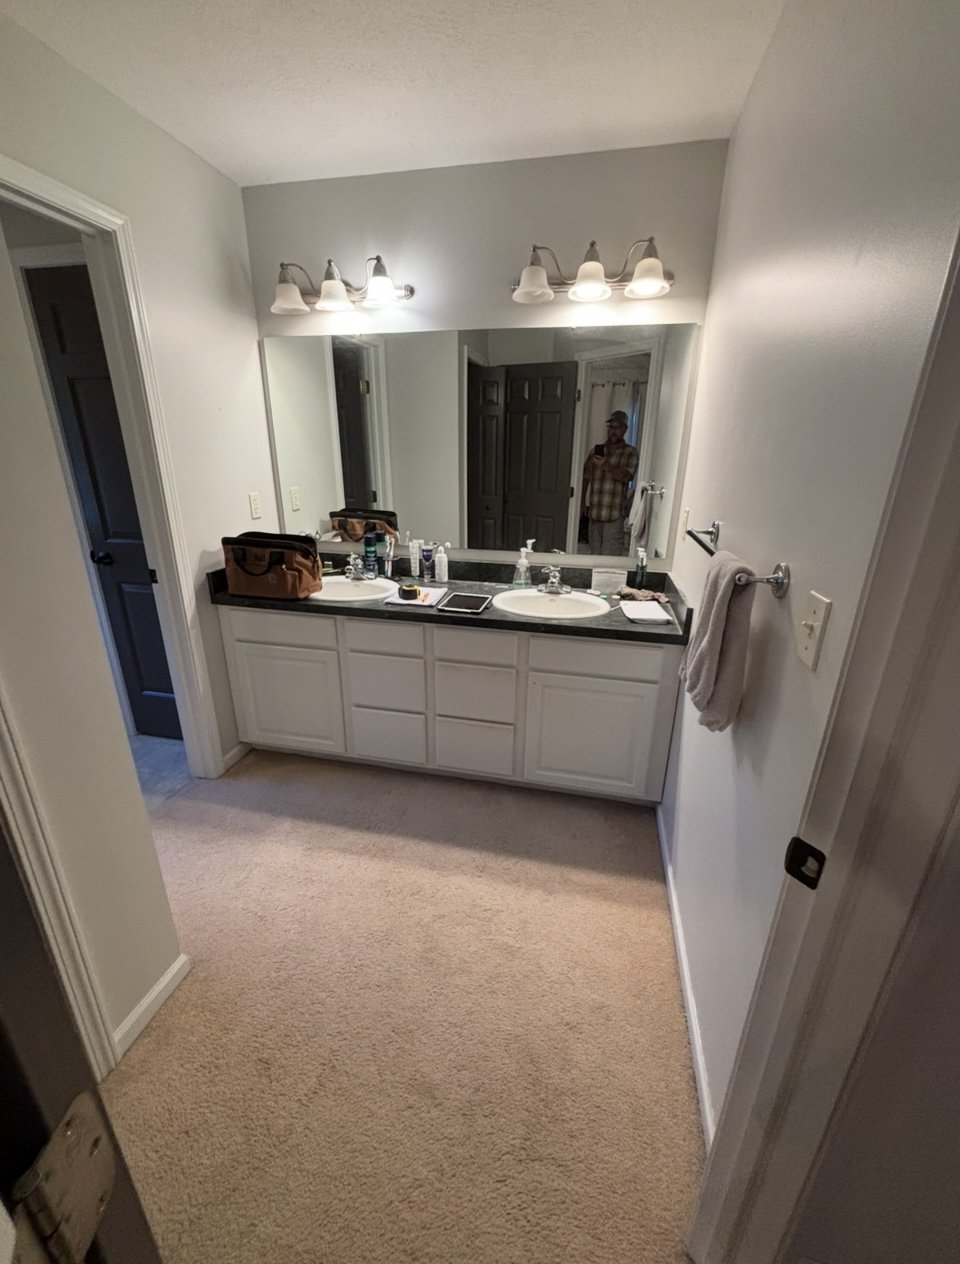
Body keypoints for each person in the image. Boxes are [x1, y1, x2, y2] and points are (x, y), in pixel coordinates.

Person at [580, 411, 639, 555]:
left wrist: (608, 467)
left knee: (610, 558)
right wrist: (581, 502)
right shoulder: (596, 450)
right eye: (611, 427)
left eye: (618, 428)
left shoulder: (630, 452)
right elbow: (585, 476)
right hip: (594, 513)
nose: (614, 431)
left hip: (614, 515)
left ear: (625, 430)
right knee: (594, 556)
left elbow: (627, 477)